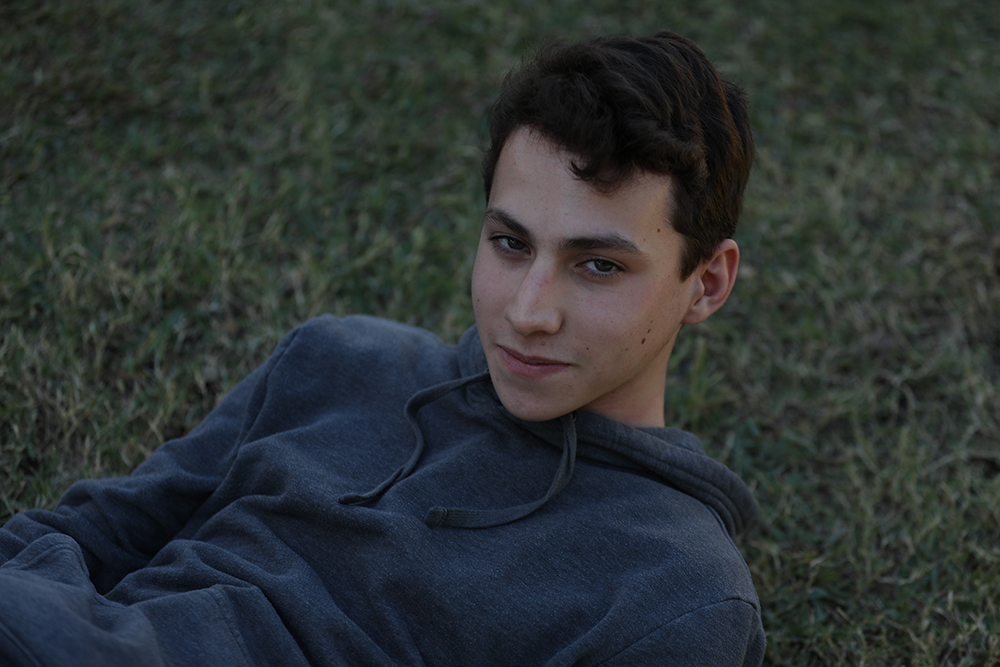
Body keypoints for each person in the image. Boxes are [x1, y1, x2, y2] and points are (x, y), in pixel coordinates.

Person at [0, 29, 763, 666]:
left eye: (599, 265)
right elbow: (102, 525)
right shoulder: (338, 356)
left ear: (706, 282)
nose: (529, 312)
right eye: (508, 243)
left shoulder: (677, 595)